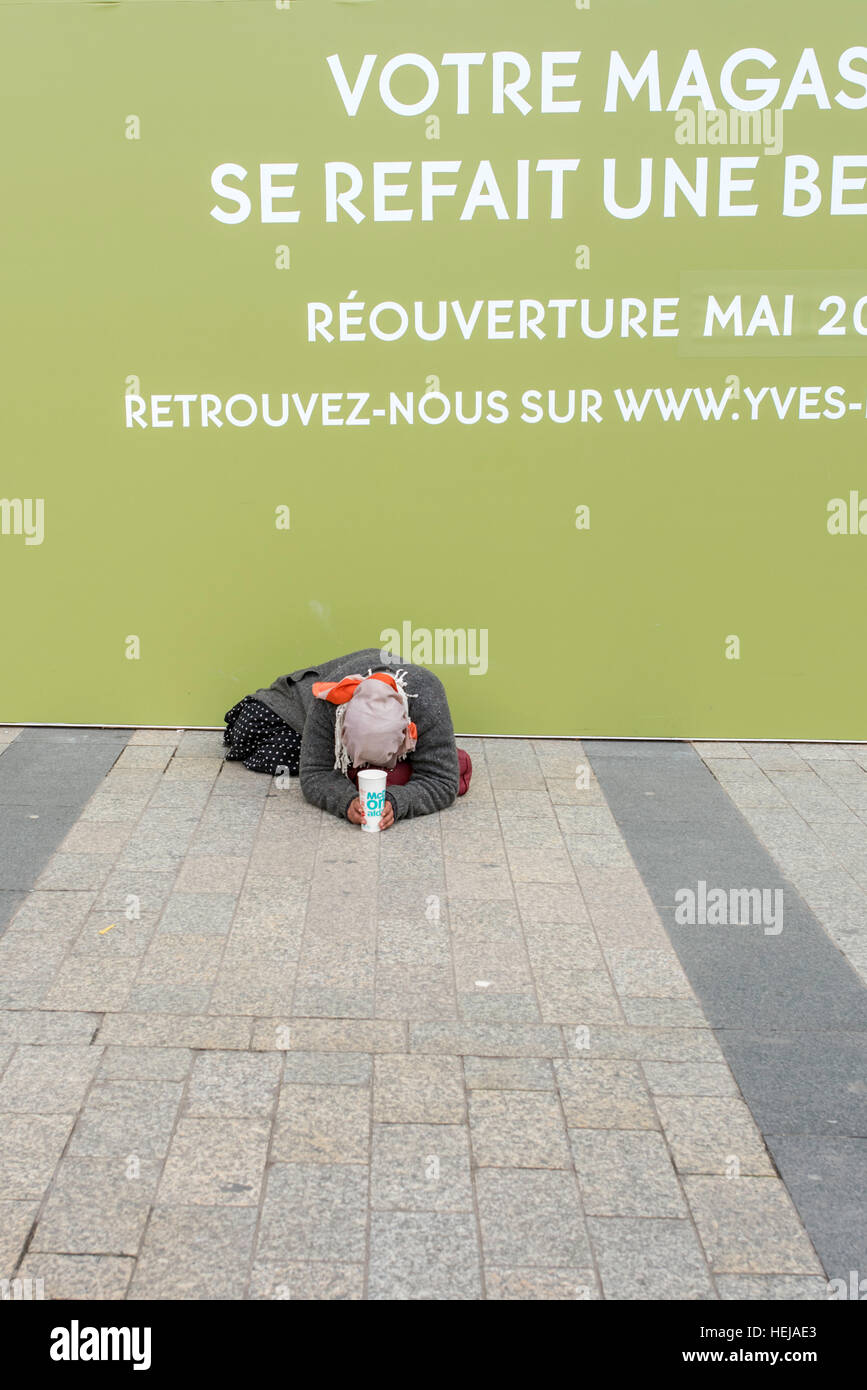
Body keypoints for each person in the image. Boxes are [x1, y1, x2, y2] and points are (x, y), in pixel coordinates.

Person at [222, 647, 470, 828]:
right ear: (341, 728)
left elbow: (442, 782)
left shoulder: (427, 698)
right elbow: (315, 773)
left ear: (408, 731)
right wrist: (346, 801)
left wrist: (397, 803)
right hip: (270, 716)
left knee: (405, 776)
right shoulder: (331, 702)